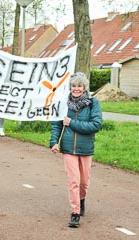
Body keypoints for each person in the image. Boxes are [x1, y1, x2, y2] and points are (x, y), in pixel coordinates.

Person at [50, 72, 102, 228]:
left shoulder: (93, 103)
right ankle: (75, 212)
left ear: (84, 87)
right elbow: (57, 124)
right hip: (67, 147)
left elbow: (95, 125)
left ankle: (81, 199)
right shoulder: (63, 103)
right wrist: (54, 142)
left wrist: (72, 122)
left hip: (86, 148)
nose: (76, 89)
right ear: (70, 87)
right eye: (74, 86)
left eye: (79, 86)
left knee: (84, 182)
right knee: (73, 181)